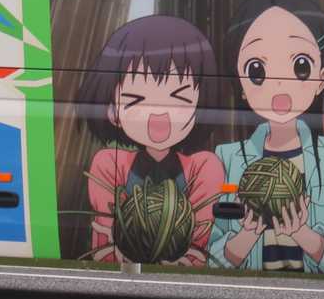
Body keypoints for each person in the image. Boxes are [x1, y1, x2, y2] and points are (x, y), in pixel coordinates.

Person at [208, 0, 324, 275]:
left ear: (322, 79)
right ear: (241, 84)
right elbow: (207, 260)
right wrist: (247, 235)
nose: (279, 85)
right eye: (257, 70)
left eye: (301, 66)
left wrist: (304, 235)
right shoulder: (227, 157)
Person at [79, 15, 225, 265]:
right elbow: (105, 240)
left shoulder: (204, 167)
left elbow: (199, 243)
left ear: (201, 106)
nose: (159, 116)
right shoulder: (109, 163)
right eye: (136, 100)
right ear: (113, 111)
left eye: (180, 99)